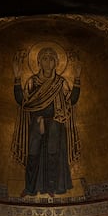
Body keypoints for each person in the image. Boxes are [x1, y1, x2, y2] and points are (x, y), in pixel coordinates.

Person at [12, 46, 81, 197]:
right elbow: (22, 101)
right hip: (37, 124)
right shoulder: (33, 81)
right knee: (33, 154)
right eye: (44, 58)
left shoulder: (60, 83)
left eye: (51, 59)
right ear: (38, 62)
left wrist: (76, 77)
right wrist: (17, 78)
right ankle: (30, 188)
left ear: (56, 62)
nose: (48, 62)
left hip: (55, 123)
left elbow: (71, 101)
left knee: (53, 154)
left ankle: (52, 187)